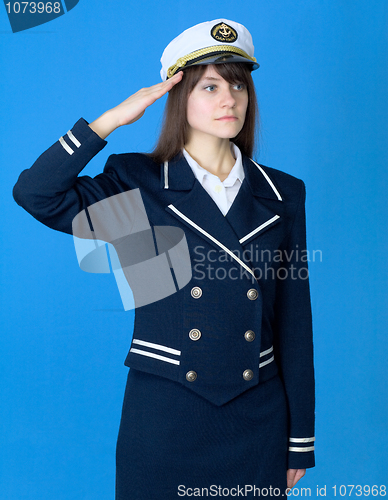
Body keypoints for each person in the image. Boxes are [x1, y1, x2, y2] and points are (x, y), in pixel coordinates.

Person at [13, 19, 315, 499]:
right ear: (180, 96)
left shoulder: (283, 193)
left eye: (238, 84)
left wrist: (300, 443)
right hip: (165, 417)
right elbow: (37, 195)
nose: (229, 99)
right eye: (210, 85)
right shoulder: (137, 182)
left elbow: (295, 320)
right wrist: (108, 122)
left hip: (257, 417)